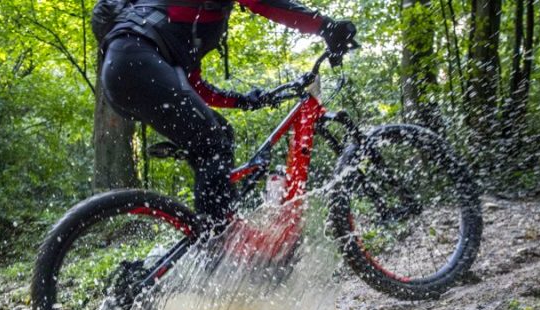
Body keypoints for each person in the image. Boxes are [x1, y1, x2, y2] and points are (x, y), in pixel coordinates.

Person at [99, 0, 357, 232]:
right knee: (213, 141)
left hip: (124, 70)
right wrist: (326, 27)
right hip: (136, 62)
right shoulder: (168, 21)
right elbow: (266, 3)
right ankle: (217, 240)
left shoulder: (179, 21)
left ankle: (214, 229)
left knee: (219, 133)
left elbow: (193, 86)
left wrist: (246, 100)